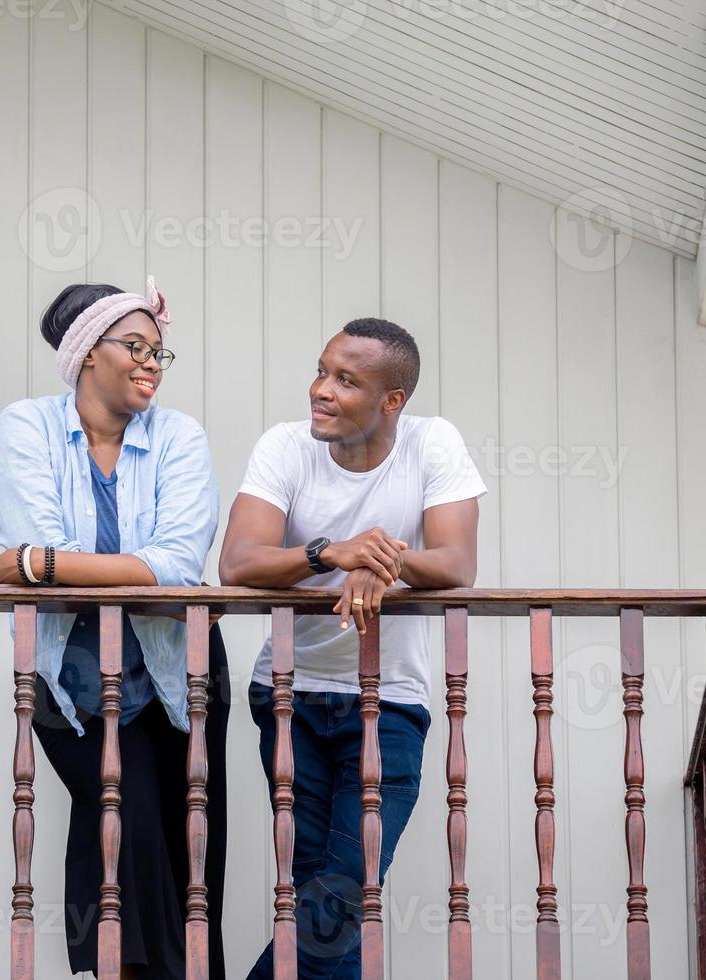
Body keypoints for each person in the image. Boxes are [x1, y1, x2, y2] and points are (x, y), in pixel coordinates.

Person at [218, 317, 486, 979]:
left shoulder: (432, 442)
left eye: (346, 380)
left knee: (337, 893)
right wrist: (331, 553)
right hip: (288, 696)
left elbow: (455, 564)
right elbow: (238, 562)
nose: (321, 390)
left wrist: (385, 558)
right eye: (321, 371)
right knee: (322, 890)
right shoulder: (284, 447)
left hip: (388, 700)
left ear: (392, 401)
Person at [0, 278, 229, 979]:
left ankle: (138, 968)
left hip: (178, 675)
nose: (153, 363)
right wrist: (51, 557)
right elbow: (46, 534)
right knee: (124, 817)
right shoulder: (27, 425)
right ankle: (138, 970)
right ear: (88, 352)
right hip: (69, 681)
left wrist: (36, 563)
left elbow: (179, 566)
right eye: (136, 347)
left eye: (160, 352)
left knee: (188, 853)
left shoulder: (179, 435)